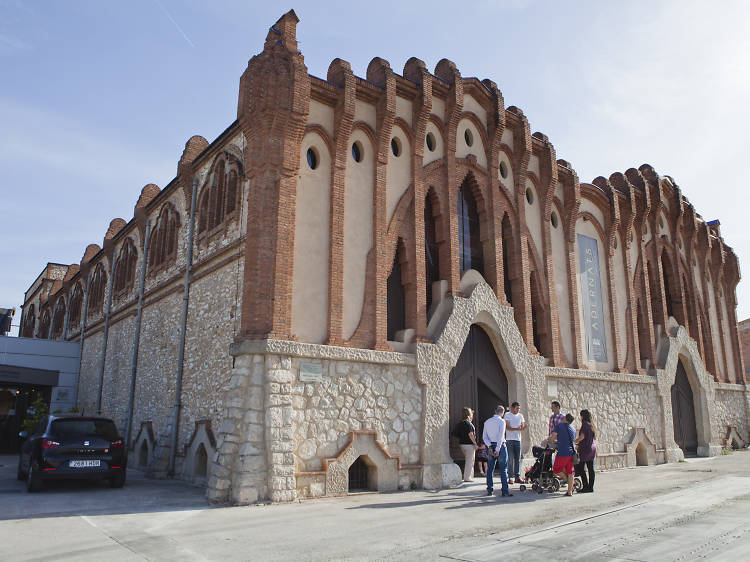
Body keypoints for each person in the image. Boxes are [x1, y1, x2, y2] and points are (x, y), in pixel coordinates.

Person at [482, 405, 512, 497]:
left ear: (495, 411)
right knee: (503, 469)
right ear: (502, 413)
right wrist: (498, 449)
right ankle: (504, 490)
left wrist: (490, 446)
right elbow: (500, 436)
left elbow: (484, 437)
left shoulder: (487, 422)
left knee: (490, 469)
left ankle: (490, 490)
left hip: (490, 445)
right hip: (501, 446)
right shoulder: (502, 421)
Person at [546, 412, 576, 496]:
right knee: (570, 472)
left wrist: (549, 441)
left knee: (556, 469)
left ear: (565, 419)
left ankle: (567, 481)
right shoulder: (573, 429)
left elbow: (552, 437)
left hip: (562, 453)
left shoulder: (559, 426)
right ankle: (570, 490)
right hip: (571, 453)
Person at [503, 402, 527, 484]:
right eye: (517, 408)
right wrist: (517, 428)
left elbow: (522, 426)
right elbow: (507, 427)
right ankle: (511, 477)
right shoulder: (507, 415)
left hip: (518, 440)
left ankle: (517, 476)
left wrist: (523, 427)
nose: (518, 410)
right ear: (512, 408)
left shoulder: (521, 416)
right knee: (510, 459)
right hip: (509, 440)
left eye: (519, 408)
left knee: (517, 459)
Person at [574, 409, 597, 493]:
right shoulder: (591, 425)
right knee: (591, 468)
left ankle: (585, 486)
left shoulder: (584, 425)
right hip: (592, 448)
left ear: (582, 416)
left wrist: (575, 441)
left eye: (580, 416)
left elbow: (582, 437)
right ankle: (590, 487)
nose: (580, 417)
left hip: (585, 449)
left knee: (581, 468)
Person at [453, 407, 478, 482]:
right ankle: (467, 477)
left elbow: (454, 433)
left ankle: (469, 476)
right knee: (469, 461)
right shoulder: (468, 423)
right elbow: (470, 434)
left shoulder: (460, 423)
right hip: (469, 445)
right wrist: (475, 443)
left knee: (469, 460)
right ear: (469, 414)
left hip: (462, 444)